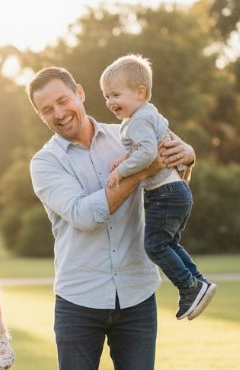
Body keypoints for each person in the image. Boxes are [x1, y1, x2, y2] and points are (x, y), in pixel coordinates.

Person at [26, 66, 197, 370]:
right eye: (46, 109)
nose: (59, 113)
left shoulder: (129, 128)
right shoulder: (45, 163)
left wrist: (187, 155)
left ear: (80, 94)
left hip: (137, 292)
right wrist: (145, 166)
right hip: (79, 297)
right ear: (41, 115)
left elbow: (175, 168)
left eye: (63, 100)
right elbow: (85, 214)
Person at [101, 54, 216, 320]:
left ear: (141, 92)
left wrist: (121, 170)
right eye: (106, 96)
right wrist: (125, 158)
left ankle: (190, 287)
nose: (110, 102)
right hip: (176, 192)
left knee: (155, 246)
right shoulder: (145, 116)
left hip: (165, 193)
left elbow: (147, 155)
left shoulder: (139, 120)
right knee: (169, 243)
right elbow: (143, 148)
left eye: (116, 95)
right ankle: (199, 283)